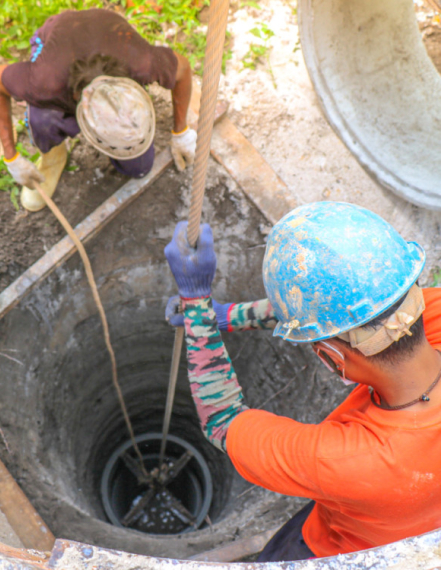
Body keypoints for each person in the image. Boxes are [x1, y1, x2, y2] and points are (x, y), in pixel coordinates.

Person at [164, 201, 441, 561]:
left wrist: (197, 304)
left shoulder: (352, 460)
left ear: (330, 357)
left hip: (341, 552)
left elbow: (221, 420)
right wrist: (228, 317)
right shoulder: (414, 311)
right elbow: (341, 310)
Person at [0, 9, 196, 212]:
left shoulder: (142, 63)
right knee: (42, 119)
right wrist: (11, 156)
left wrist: (181, 132)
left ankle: (125, 142)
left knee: (138, 166)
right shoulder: (44, 82)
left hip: (109, 28)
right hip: (59, 34)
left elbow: (183, 68)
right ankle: (53, 156)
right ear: (77, 102)